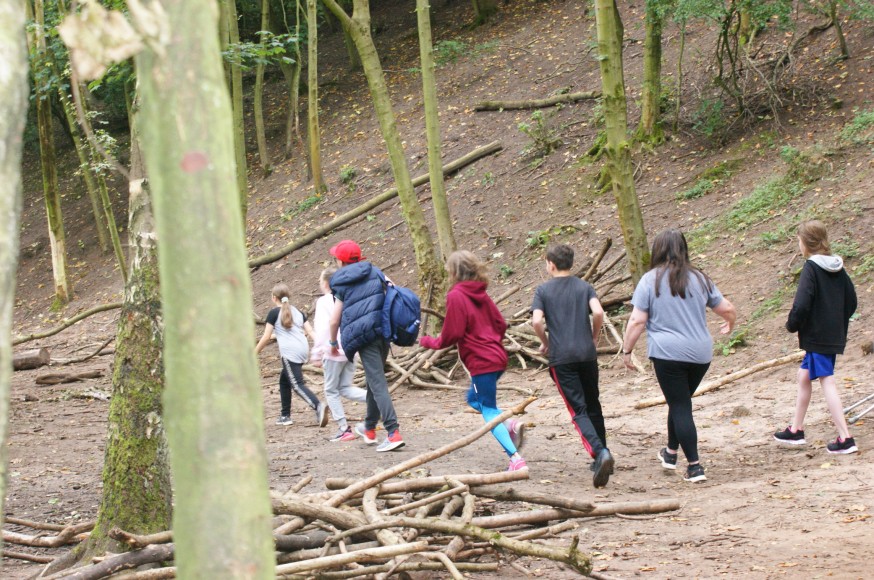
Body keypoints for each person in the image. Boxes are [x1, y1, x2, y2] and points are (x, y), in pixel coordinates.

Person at [622, 229, 736, 483]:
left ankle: (695, 466)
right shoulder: (700, 278)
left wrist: (627, 350)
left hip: (667, 354)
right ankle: (670, 453)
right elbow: (726, 307)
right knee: (679, 401)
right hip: (700, 354)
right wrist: (730, 323)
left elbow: (637, 321)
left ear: (658, 250)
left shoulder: (649, 280)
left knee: (680, 405)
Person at [419, 251, 527, 472]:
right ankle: (508, 423)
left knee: (488, 410)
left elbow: (451, 335)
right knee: (473, 399)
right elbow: (501, 324)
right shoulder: (482, 294)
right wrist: (490, 341)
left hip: (482, 361)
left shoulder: (456, 295)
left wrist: (427, 341)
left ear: (453, 272)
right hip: (497, 356)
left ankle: (515, 457)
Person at [532, 244, 613, 488]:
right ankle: (604, 451)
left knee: (578, 410)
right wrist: (594, 337)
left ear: (551, 264)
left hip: (562, 358)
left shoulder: (543, 291)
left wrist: (545, 342)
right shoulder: (584, 286)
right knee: (593, 404)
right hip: (586, 355)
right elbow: (598, 312)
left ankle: (600, 453)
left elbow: (536, 321)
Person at [773, 220, 858, 454]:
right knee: (804, 376)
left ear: (806, 243)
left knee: (826, 380)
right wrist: (836, 323)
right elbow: (852, 301)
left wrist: (792, 324)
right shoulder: (838, 268)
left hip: (819, 338)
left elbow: (801, 304)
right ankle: (796, 430)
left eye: (799, 241)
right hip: (830, 335)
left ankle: (845, 438)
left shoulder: (811, 268)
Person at [328, 240, 405, 452]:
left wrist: (333, 343)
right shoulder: (375, 271)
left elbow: (334, 320)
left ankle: (393, 431)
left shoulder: (341, 281)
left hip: (365, 336)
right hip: (383, 331)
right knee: (374, 379)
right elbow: (395, 291)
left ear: (341, 261)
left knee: (377, 382)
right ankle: (369, 428)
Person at [256, 283, 328, 427]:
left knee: (296, 384)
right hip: (302, 349)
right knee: (284, 381)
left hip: (290, 352)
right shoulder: (298, 312)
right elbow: (311, 331)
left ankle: (318, 406)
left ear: (274, 298)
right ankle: (285, 416)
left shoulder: (273, 313)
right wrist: (321, 346)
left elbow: (266, 337)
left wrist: (254, 353)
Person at [311, 267, 368, 442]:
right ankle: (376, 399)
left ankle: (344, 428)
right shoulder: (348, 297)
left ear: (326, 283)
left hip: (333, 350)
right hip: (350, 348)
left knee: (330, 389)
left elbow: (323, 328)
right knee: (344, 387)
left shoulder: (324, 301)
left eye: (320, 282)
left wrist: (317, 352)